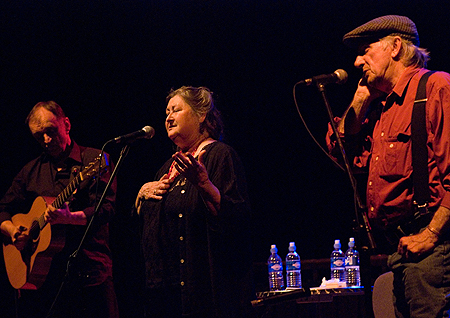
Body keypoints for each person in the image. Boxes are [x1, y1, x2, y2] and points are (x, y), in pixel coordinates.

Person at [326, 15, 450, 317]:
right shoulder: (379, 108)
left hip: (432, 246)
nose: (357, 62)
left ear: (395, 47)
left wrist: (432, 234)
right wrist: (359, 101)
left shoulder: (435, 88)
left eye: (365, 50)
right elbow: (338, 151)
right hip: (398, 249)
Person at [135, 86, 255, 317]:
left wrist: (204, 185)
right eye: (166, 112)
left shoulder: (220, 155)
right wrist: (141, 195)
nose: (168, 117)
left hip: (206, 296)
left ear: (201, 115)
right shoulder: (166, 167)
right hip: (168, 298)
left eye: (176, 110)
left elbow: (237, 221)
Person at [0, 101, 119, 318]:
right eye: (38, 136)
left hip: (90, 276)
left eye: (51, 131)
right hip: (44, 284)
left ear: (66, 124)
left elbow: (107, 209)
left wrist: (70, 218)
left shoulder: (94, 160)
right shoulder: (30, 171)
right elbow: (4, 208)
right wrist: (12, 230)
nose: (46, 141)